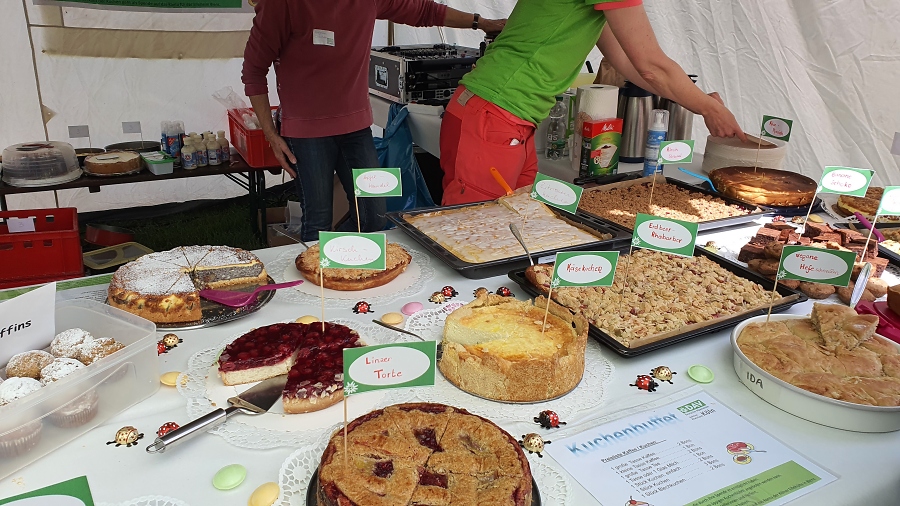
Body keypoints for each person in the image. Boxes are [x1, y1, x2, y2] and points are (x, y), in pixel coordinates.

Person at [439, 0, 747, 206]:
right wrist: (709, 109)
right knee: (475, 228)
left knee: (511, 219)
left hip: (499, 113)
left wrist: (700, 100)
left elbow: (626, 62)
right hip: (495, 114)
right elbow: (651, 67)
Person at [242, 0, 505, 241]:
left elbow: (425, 11)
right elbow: (253, 71)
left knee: (375, 217)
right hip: (305, 134)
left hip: (356, 129)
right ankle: (320, 287)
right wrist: (271, 136)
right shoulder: (281, 4)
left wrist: (481, 23)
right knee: (318, 222)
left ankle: (362, 280)